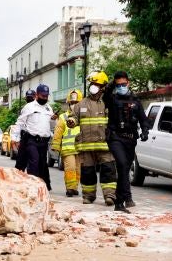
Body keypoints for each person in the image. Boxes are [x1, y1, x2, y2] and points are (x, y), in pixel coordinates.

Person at [67, 71, 117, 206]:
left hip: (104, 145)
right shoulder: (81, 104)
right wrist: (71, 121)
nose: (92, 86)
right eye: (91, 84)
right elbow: (73, 116)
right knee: (87, 172)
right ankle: (88, 196)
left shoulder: (108, 103)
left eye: (96, 84)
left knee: (108, 170)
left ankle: (110, 195)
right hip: (86, 145)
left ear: (103, 87)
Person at [103, 71, 150, 213]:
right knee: (122, 165)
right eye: (119, 85)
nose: (122, 87)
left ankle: (122, 201)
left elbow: (143, 119)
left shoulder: (135, 100)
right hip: (116, 138)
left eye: (124, 84)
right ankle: (119, 202)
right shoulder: (112, 99)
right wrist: (112, 84)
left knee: (125, 169)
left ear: (128, 83)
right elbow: (105, 95)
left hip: (131, 139)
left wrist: (145, 131)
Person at [12, 84, 57, 191]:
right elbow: (20, 123)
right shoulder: (29, 107)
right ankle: (32, 187)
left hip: (43, 142)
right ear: (36, 95)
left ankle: (41, 187)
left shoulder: (48, 108)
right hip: (31, 140)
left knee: (42, 164)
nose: (45, 98)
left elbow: (50, 126)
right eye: (42, 96)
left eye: (46, 96)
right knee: (34, 161)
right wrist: (15, 138)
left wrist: (53, 120)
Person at [51, 89, 82, 197]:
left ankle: (74, 188)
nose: (74, 105)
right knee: (70, 168)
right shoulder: (63, 117)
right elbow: (58, 131)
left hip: (80, 148)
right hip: (68, 149)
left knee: (78, 170)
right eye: (72, 103)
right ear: (68, 103)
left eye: (76, 103)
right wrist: (55, 145)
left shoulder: (83, 116)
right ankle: (69, 188)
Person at [14, 89, 37, 171]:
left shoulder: (41, 108)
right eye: (28, 97)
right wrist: (16, 139)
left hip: (35, 138)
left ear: (35, 97)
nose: (29, 99)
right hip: (25, 136)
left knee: (33, 164)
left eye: (31, 97)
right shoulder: (25, 108)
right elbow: (20, 123)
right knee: (20, 163)